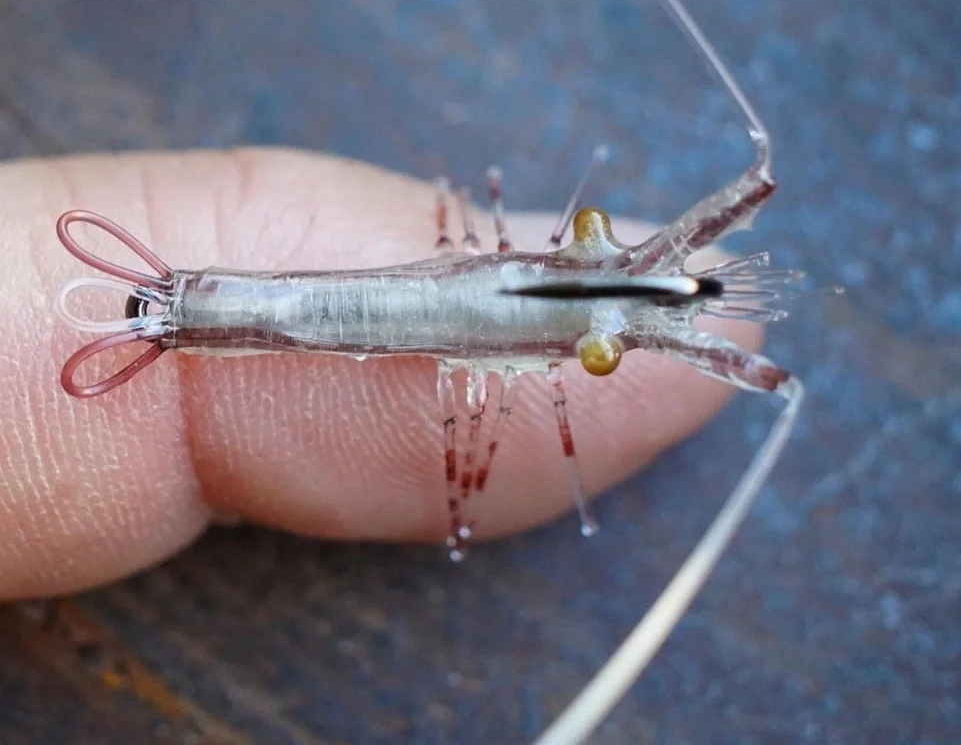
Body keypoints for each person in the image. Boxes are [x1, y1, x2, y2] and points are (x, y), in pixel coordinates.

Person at [0, 148, 760, 600]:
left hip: (181, 305)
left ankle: (174, 310)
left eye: (600, 352)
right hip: (181, 307)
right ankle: (174, 310)